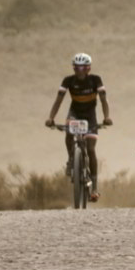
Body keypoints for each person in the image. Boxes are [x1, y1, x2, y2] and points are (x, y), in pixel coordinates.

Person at [44, 52, 112, 201]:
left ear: (88, 68)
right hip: (74, 113)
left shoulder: (96, 80)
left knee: (91, 149)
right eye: (77, 68)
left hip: (90, 116)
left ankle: (94, 187)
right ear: (73, 68)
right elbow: (58, 100)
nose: (80, 71)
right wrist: (51, 118)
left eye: (83, 68)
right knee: (69, 132)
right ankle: (71, 160)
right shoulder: (68, 81)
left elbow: (103, 100)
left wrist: (106, 117)